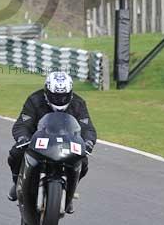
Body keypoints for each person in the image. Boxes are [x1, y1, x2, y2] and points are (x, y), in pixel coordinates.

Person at [7, 71, 97, 212]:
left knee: (83, 162)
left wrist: (88, 143)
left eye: (63, 96)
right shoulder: (35, 100)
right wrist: (23, 138)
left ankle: (69, 192)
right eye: (55, 96)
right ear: (47, 91)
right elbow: (22, 123)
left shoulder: (78, 103)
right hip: (37, 140)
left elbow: (87, 128)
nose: (60, 100)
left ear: (70, 93)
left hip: (66, 142)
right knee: (16, 152)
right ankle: (16, 182)